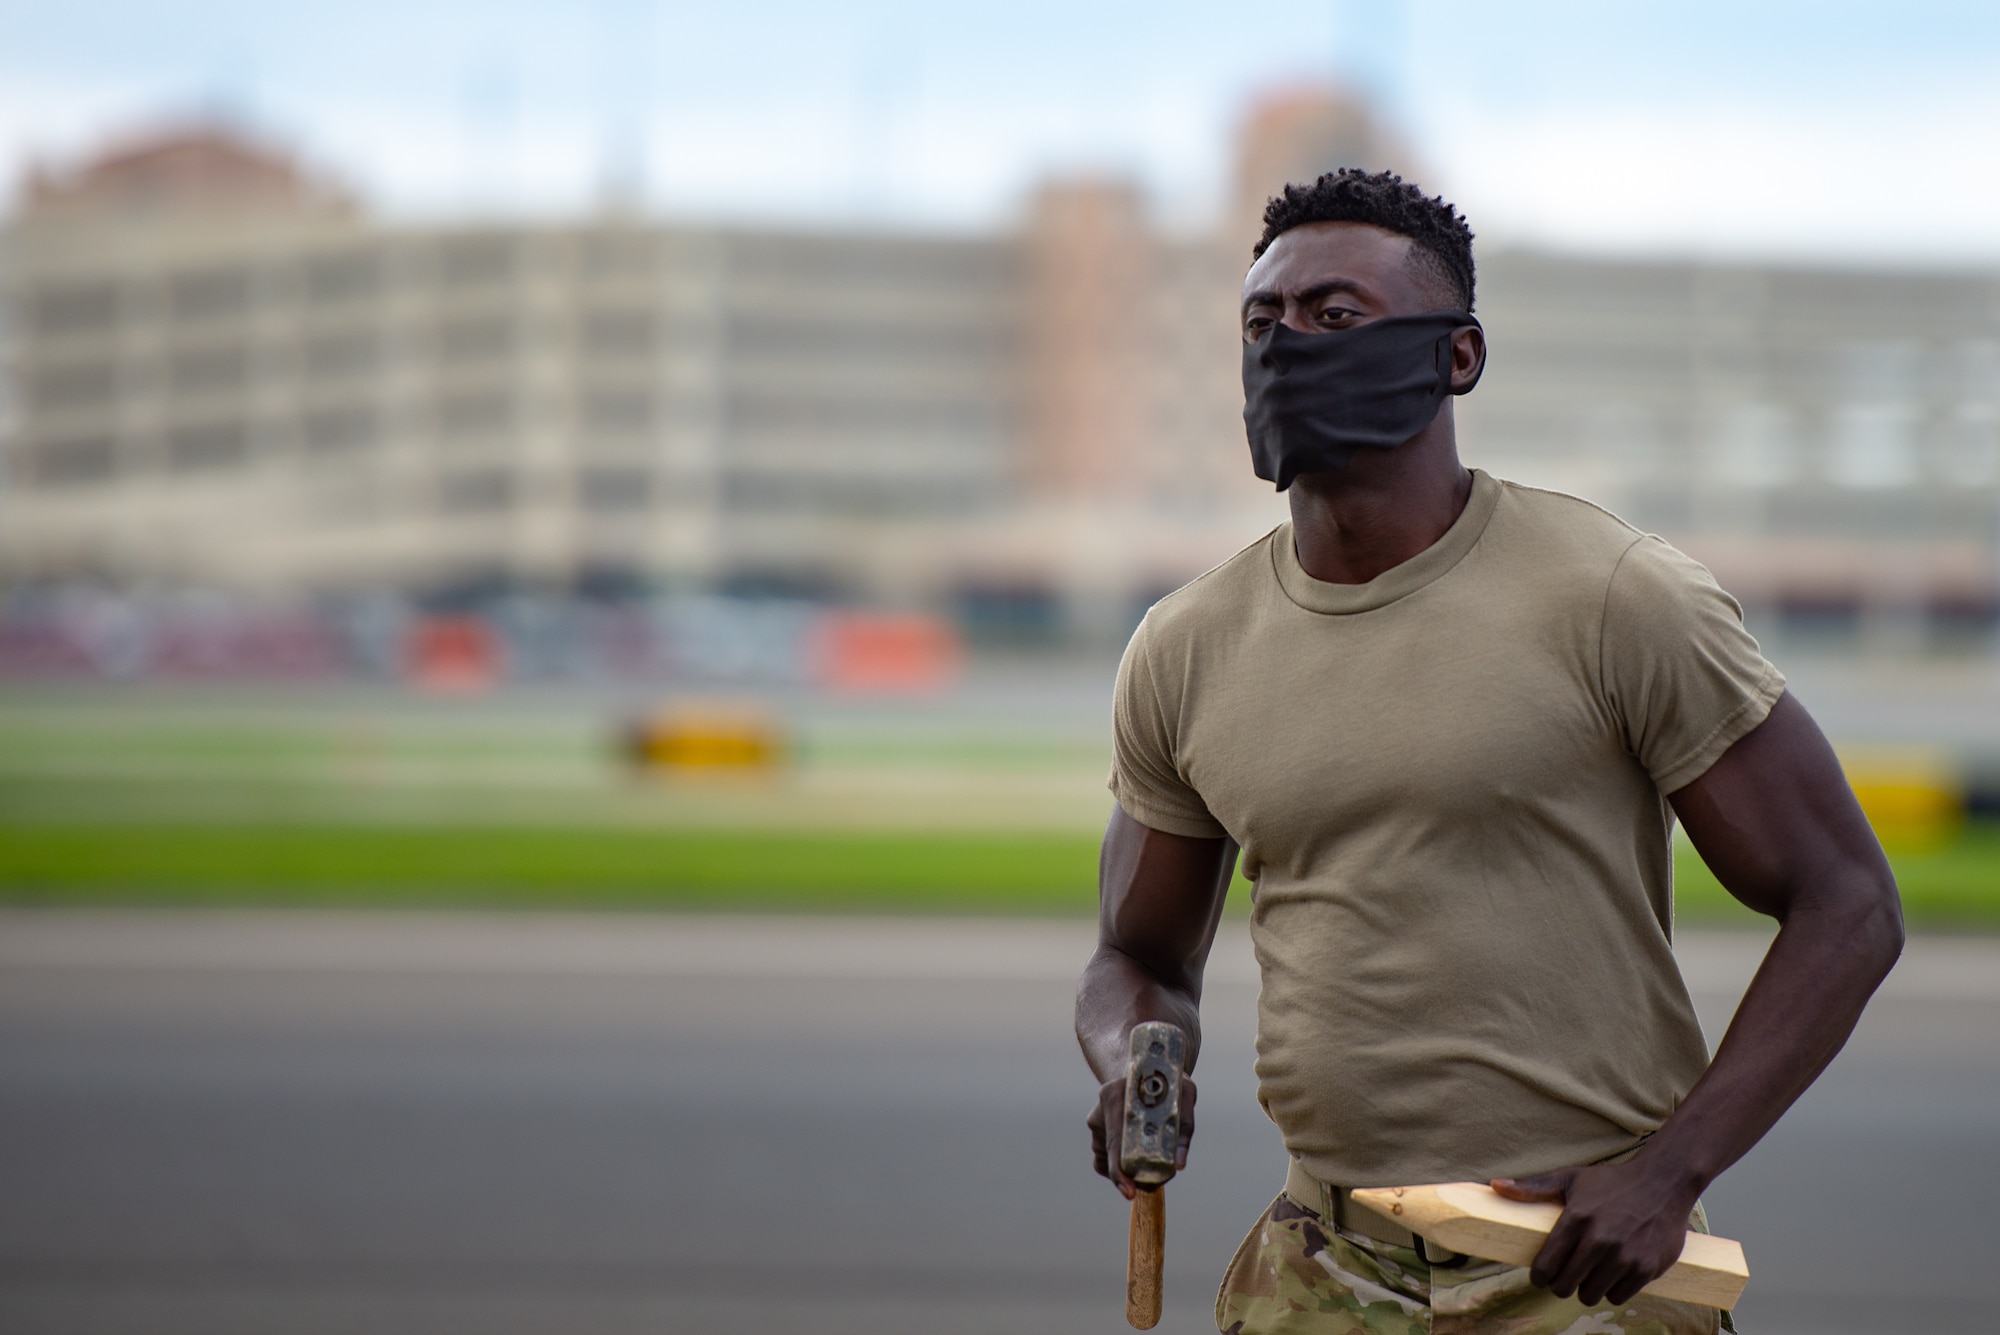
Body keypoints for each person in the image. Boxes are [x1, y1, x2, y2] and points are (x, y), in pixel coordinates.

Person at [1074, 169, 1904, 1335]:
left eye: (1334, 315)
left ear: (1454, 356)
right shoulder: (1185, 645)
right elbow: (1136, 955)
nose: (1286, 343)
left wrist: (1671, 1174)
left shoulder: (1614, 595)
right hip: (1318, 1269)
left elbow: (1847, 903)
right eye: (1260, 322)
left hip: (1579, 1268)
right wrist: (1131, 1061)